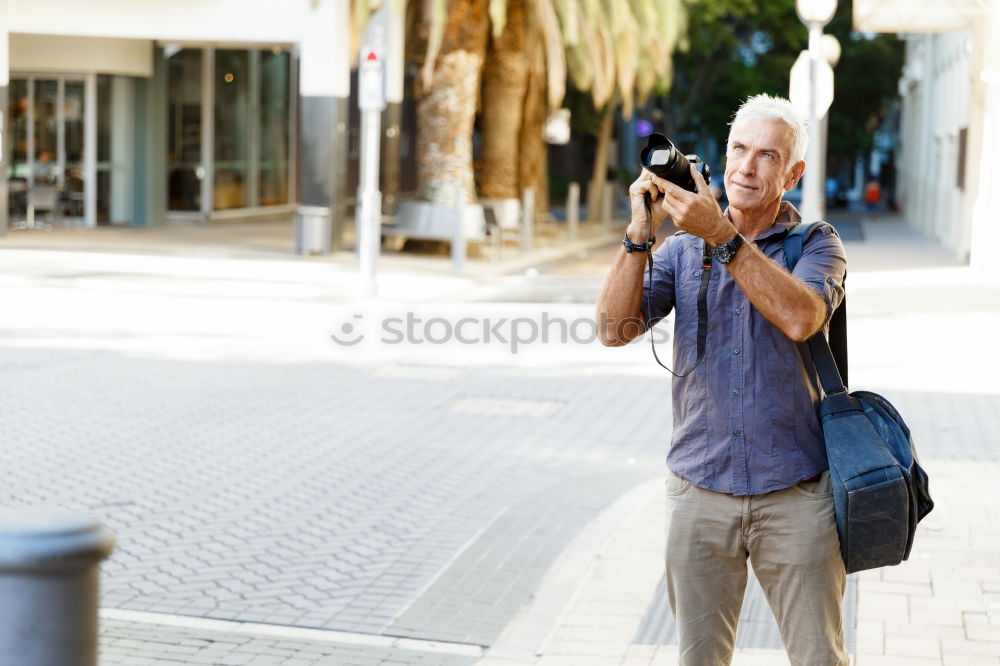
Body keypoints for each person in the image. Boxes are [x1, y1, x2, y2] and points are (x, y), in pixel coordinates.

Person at [595, 94, 848, 666]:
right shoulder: (684, 249)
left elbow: (801, 317)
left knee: (820, 659)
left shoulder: (817, 245)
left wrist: (724, 239)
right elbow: (613, 329)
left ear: (793, 172)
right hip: (700, 490)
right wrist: (639, 233)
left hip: (796, 493)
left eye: (766, 155)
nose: (745, 167)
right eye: (738, 148)